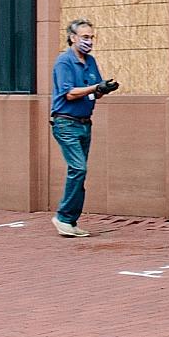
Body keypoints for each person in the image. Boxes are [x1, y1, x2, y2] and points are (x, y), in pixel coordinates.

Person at [49, 19, 117, 237]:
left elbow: (92, 91)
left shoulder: (90, 61)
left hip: (84, 123)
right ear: (72, 37)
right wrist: (96, 87)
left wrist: (104, 89)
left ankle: (69, 220)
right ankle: (63, 217)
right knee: (78, 169)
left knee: (78, 172)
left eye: (91, 38)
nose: (89, 42)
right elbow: (69, 93)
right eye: (85, 37)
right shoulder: (64, 62)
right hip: (65, 122)